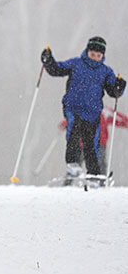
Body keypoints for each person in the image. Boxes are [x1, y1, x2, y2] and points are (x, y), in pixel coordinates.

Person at [41, 36, 126, 187]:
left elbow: (114, 92)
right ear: (87, 51)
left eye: (98, 56)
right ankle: (72, 163)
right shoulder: (76, 64)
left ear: (102, 56)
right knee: (73, 131)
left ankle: (94, 174)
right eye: (92, 54)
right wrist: (48, 61)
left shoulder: (105, 71)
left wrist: (119, 86)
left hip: (92, 112)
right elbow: (57, 69)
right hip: (73, 107)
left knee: (91, 142)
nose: (95, 58)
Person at [58, 107, 128, 179]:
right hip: (85, 143)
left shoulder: (105, 112)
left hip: (99, 143)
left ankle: (101, 181)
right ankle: (68, 182)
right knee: (77, 163)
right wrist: (65, 125)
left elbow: (119, 118)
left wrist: (126, 122)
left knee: (100, 163)